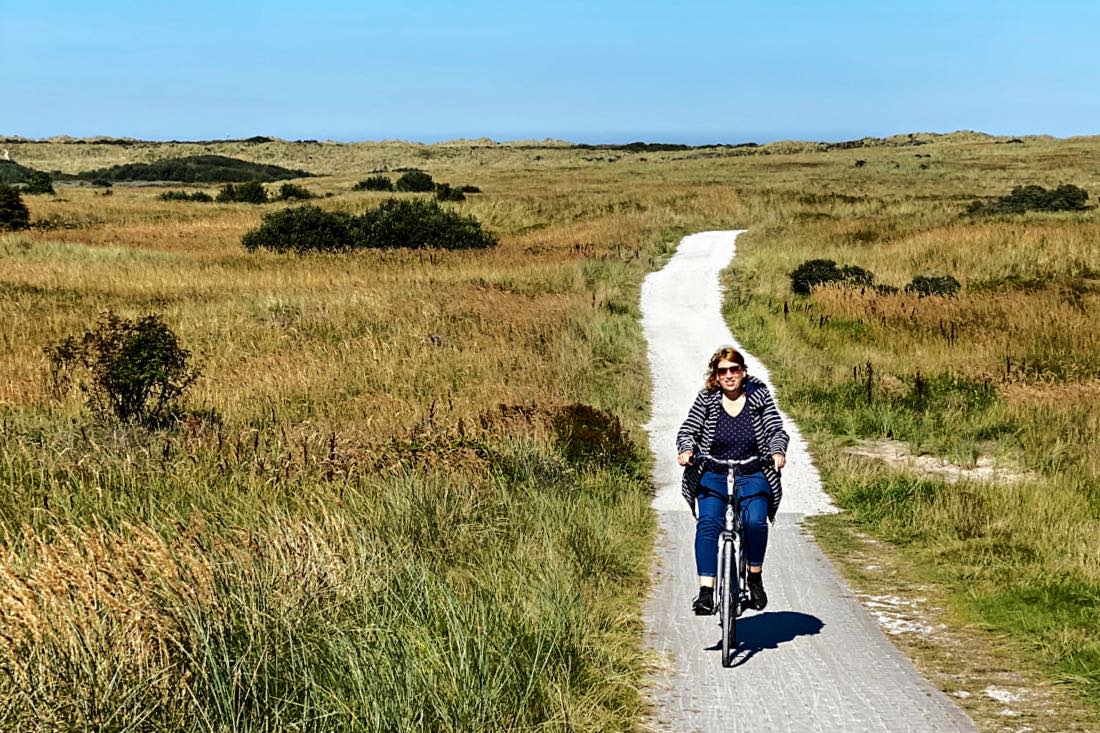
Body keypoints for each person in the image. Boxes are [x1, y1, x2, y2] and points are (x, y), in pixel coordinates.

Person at [676, 346, 789, 615]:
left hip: (752, 470)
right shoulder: (707, 399)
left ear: (743, 371)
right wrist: (686, 450)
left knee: (754, 522)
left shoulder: (758, 396)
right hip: (713, 472)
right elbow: (688, 428)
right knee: (708, 523)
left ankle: (754, 576)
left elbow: (775, 428)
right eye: (722, 371)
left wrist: (777, 452)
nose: (729, 375)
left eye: (734, 369)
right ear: (716, 375)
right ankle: (705, 591)